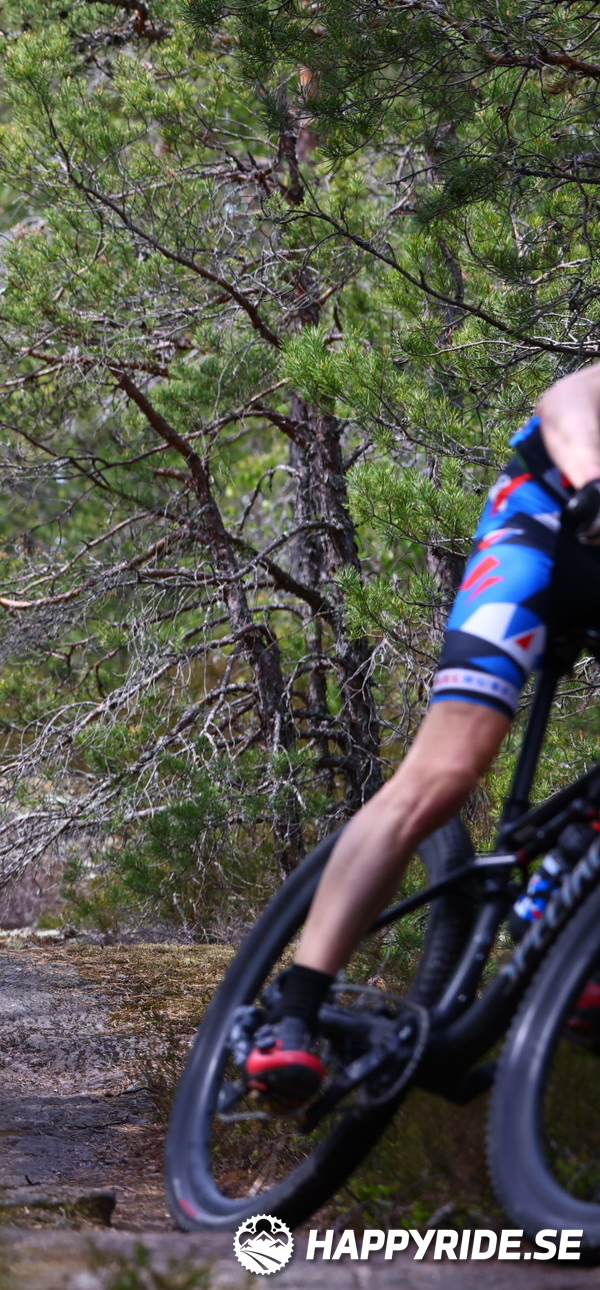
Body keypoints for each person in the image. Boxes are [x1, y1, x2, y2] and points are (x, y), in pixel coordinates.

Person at [246, 361, 600, 1105]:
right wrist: (593, 479)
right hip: (543, 524)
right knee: (448, 770)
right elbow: (570, 398)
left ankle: (570, 877)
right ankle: (295, 1008)